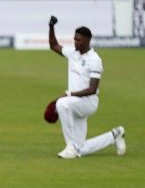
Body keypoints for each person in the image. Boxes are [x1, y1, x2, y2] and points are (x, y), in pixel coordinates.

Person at [48, 15, 126, 159]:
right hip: (76, 103)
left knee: (62, 104)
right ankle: (115, 134)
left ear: (87, 40)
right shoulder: (73, 53)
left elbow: (92, 89)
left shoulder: (95, 60)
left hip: (88, 102)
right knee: (82, 149)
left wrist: (69, 94)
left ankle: (70, 147)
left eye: (78, 40)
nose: (75, 42)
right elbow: (53, 45)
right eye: (74, 39)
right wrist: (51, 26)